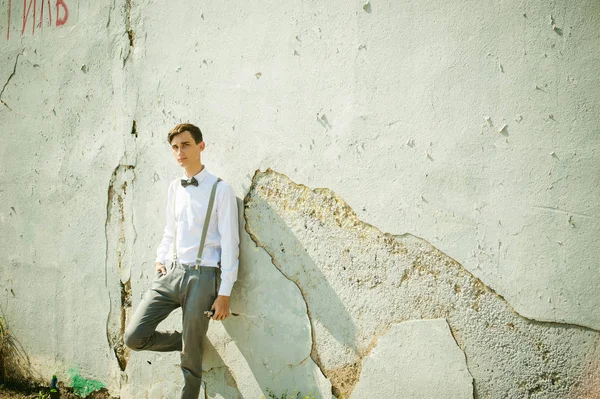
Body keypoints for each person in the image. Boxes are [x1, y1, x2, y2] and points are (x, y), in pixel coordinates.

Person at [124, 123, 240, 399]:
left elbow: (230, 244)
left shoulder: (220, 189)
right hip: (171, 274)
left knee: (190, 360)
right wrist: (160, 259)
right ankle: (186, 340)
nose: (180, 152)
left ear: (201, 146)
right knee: (134, 337)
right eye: (175, 147)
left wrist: (224, 293)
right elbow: (169, 230)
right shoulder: (175, 187)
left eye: (185, 145)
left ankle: (191, 354)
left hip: (203, 277)